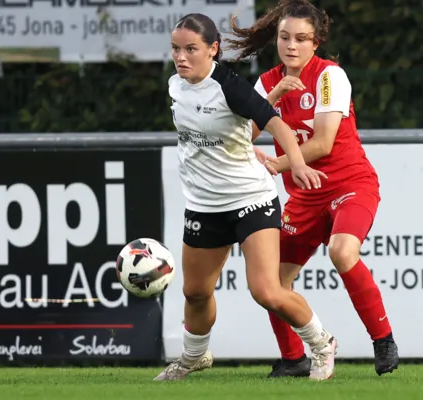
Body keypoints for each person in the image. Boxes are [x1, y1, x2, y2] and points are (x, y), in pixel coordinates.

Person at [154, 13, 336, 382]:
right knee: (196, 292)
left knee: (267, 290)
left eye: (191, 49)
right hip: (204, 205)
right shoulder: (176, 85)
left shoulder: (230, 87)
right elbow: (237, 129)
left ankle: (322, 344)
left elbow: (276, 123)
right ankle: (193, 357)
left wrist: (296, 163)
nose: (181, 57)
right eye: (176, 49)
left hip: (250, 199)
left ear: (213, 50)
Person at [227, 0, 399, 377]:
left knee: (341, 251)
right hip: (304, 195)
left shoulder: (329, 77)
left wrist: (274, 163)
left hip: (349, 183)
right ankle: (293, 360)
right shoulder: (268, 81)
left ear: (316, 42)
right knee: (270, 283)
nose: (292, 46)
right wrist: (269, 99)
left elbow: (322, 144)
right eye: (285, 37)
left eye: (302, 39)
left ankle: (383, 339)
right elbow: (244, 134)